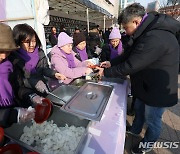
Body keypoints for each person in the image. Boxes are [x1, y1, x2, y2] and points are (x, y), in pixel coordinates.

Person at [99, 3, 180, 154]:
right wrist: (111, 62)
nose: (126, 31)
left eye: (126, 27)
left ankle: (146, 145)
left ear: (136, 22)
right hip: (145, 84)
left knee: (152, 120)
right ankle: (136, 130)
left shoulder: (155, 37)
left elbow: (131, 64)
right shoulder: (144, 31)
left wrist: (106, 72)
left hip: (158, 89)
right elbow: (129, 54)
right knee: (139, 109)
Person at [9, 24, 66, 107]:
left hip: (43, 91)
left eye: (34, 41)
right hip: (26, 99)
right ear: (18, 41)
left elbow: (43, 69)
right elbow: (18, 85)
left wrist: (54, 74)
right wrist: (33, 93)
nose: (32, 45)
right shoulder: (14, 59)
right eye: (27, 42)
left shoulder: (40, 53)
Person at [0, 23, 35, 128]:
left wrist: (32, 96)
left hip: (10, 119)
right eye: (0, 51)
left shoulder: (8, 65)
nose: (4, 56)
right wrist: (13, 115)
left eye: (8, 52)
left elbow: (17, 87)